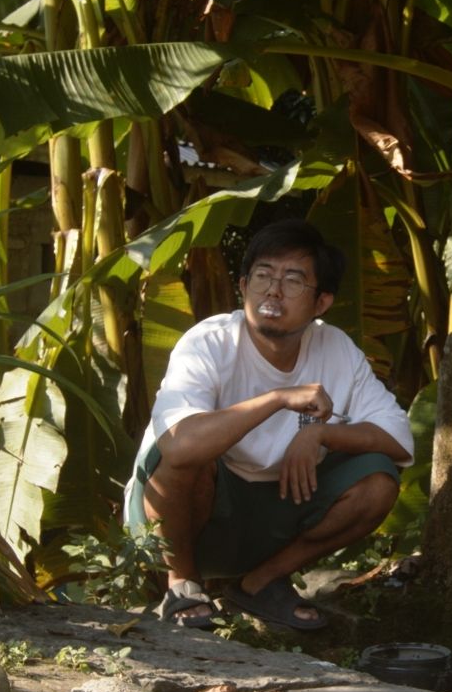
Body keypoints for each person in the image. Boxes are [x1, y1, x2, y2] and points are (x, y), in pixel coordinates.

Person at [124, 219, 412, 629]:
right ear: (242, 287)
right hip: (181, 520)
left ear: (322, 303)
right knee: (187, 454)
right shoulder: (208, 342)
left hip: (267, 519)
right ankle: (182, 584)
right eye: (263, 276)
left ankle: (260, 584)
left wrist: (321, 432)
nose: (273, 290)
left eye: (293, 280)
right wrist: (278, 399)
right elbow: (178, 448)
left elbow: (399, 441)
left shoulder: (337, 350)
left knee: (378, 481)